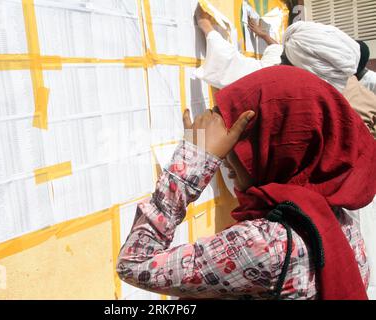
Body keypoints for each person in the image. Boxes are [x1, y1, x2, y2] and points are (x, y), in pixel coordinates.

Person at [117, 66, 375, 300]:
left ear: (277, 143)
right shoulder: (339, 221)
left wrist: (191, 162)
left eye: (238, 138)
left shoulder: (264, 244)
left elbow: (134, 263)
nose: (224, 156)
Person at [194, 5, 283, 89]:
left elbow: (230, 63)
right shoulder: (283, 69)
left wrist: (205, 25)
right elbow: (277, 51)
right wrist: (264, 35)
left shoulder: (271, 77)